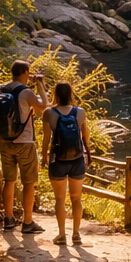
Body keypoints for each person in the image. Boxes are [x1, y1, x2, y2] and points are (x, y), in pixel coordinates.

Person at [0, 60, 48, 233]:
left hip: (5, 140)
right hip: (25, 142)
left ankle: (9, 219)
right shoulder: (25, 92)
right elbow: (44, 106)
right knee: (28, 182)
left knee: (9, 181)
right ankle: (27, 222)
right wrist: (40, 84)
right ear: (26, 72)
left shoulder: (1, 89)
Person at [40, 81, 93, 246]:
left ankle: (62, 235)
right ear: (71, 93)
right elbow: (85, 137)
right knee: (76, 198)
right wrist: (88, 154)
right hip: (77, 159)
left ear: (56, 94)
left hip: (57, 160)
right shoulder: (80, 112)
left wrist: (43, 156)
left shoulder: (49, 113)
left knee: (60, 199)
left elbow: (46, 139)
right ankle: (76, 234)